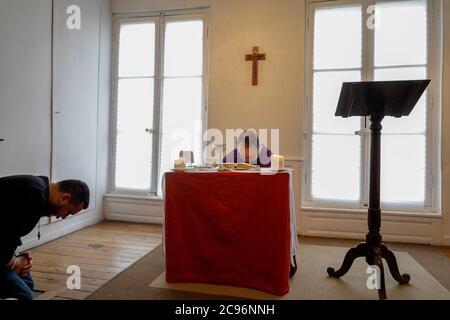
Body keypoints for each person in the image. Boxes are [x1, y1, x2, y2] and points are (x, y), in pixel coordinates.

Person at [0, 175, 90, 300]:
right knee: (24, 296)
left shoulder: (38, 188)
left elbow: (8, 232)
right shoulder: (33, 196)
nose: (63, 217)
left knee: (28, 283)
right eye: (69, 212)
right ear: (64, 198)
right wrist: (14, 262)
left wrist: (18, 257)